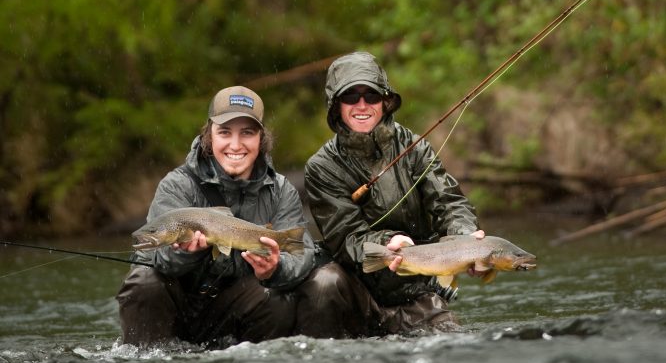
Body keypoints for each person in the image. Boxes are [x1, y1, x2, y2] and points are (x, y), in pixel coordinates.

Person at [298, 51, 485, 337]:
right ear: (336, 106)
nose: (362, 105)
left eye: (371, 96)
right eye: (351, 97)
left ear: (385, 101)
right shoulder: (321, 167)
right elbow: (347, 238)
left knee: (454, 346)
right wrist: (388, 242)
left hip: (415, 291)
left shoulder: (415, 147)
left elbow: (449, 202)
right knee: (324, 282)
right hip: (356, 292)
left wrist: (466, 238)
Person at [117, 85, 315, 347]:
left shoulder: (280, 191)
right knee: (143, 281)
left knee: (277, 297)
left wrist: (276, 269)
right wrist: (184, 253)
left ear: (261, 139)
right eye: (224, 132)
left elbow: (302, 254)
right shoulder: (177, 186)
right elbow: (149, 259)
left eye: (247, 133)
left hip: (239, 310)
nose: (235, 144)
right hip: (179, 309)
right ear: (209, 136)